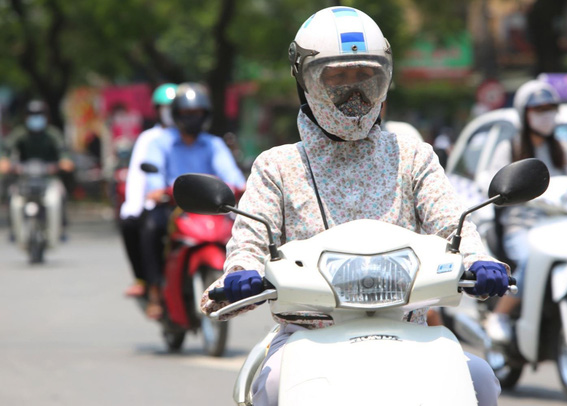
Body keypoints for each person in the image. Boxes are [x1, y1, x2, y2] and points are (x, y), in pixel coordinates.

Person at [201, 7, 510, 406]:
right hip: (306, 336)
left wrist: (478, 260)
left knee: (479, 380)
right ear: (305, 81)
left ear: (385, 80)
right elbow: (249, 242)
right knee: (272, 386)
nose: (355, 92)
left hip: (409, 332)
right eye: (337, 78)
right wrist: (242, 272)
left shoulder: (413, 157)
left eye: (366, 76)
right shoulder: (277, 166)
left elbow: (453, 223)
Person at [483, 80, 567, 342]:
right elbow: (491, 184)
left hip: (559, 226)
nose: (546, 115)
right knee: (531, 260)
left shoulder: (562, 149)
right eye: (538, 109)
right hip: (521, 226)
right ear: (524, 113)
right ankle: (500, 314)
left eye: (550, 108)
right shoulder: (510, 148)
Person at [141, 82, 246, 320]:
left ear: (205, 115)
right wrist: (157, 191)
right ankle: (155, 291)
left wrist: (242, 186)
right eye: (187, 113)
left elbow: (232, 176)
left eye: (197, 113)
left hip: (210, 211)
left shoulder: (214, 144)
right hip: (174, 209)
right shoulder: (160, 143)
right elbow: (154, 181)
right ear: (176, 115)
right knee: (150, 228)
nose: (192, 118)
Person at [119, 83, 178, 297]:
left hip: (194, 202)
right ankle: (149, 284)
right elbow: (139, 176)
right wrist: (134, 206)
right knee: (144, 228)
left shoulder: (203, 139)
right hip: (163, 201)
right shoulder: (150, 139)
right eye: (165, 107)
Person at [0, 100, 74, 241]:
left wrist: (65, 161)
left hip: (48, 177)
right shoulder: (20, 133)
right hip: (25, 177)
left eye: (39, 114)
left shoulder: (52, 134)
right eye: (32, 115)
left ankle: (61, 227)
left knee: (61, 194)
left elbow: (63, 151)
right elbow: (6, 150)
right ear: (26, 117)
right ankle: (14, 229)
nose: (36, 118)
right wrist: (5, 161)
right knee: (11, 195)